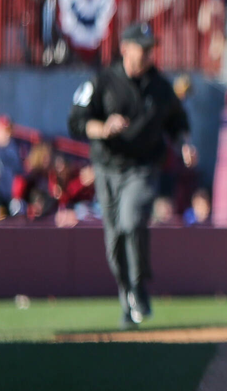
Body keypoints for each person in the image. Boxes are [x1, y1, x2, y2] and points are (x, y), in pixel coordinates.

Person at [68, 21, 195, 328]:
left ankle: (138, 286)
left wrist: (184, 143)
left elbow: (177, 121)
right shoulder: (102, 82)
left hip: (142, 168)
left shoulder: (160, 87)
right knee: (114, 239)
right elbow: (76, 121)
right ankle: (128, 296)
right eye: (143, 48)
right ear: (125, 48)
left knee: (132, 219)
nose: (149, 54)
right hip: (107, 168)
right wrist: (103, 127)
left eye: (151, 48)